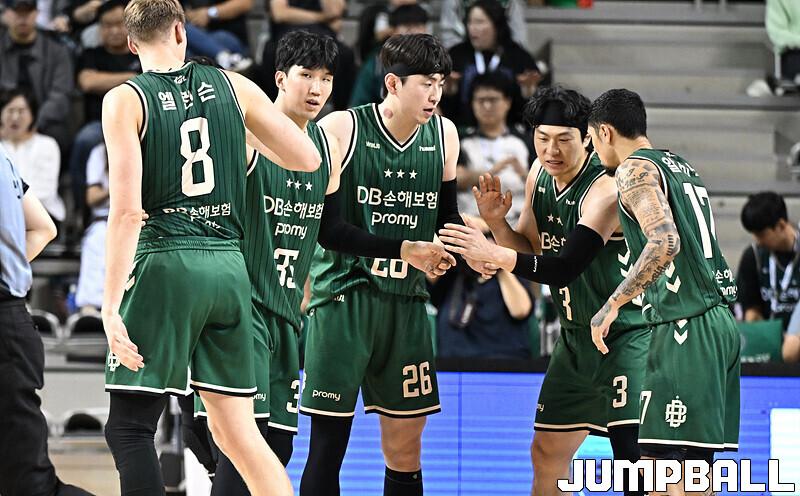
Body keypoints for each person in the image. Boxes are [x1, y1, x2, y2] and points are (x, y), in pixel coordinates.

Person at [190, 30, 455, 495]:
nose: (317, 88)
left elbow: (329, 230)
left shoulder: (321, 145)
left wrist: (473, 242)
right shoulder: (251, 134)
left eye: (327, 78)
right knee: (242, 448)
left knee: (276, 448)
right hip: (245, 308)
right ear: (280, 78)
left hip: (286, 314)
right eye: (307, 76)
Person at [100, 0, 321, 494]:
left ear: (131, 43)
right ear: (182, 32)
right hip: (229, 268)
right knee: (238, 435)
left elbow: (127, 213)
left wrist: (110, 306)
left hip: (166, 261)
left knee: (130, 427)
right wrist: (239, 135)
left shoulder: (124, 99)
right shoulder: (234, 86)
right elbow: (307, 158)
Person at [439, 85, 649, 496]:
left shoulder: (605, 189)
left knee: (632, 463)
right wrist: (498, 226)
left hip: (625, 336)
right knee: (547, 451)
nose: (552, 150)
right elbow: (532, 250)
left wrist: (494, 254)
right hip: (575, 339)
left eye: (564, 139)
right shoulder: (539, 173)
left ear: (587, 138)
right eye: (542, 138)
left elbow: (563, 269)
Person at [298, 33, 482, 496]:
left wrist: (476, 251)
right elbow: (328, 230)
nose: (435, 94)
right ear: (394, 84)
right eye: (426, 83)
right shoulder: (342, 128)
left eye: (441, 83)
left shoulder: (445, 134)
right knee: (327, 446)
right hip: (344, 298)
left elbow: (444, 218)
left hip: (407, 303)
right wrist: (405, 249)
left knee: (405, 449)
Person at [589, 89, 739, 494]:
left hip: (686, 326)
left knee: (667, 472)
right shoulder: (680, 165)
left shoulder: (633, 170)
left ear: (605, 132)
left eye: (592, 139)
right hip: (715, 321)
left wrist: (613, 303)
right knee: (683, 470)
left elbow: (665, 242)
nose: (595, 152)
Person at [0, 144, 93, 496]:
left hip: (6, 329)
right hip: (13, 322)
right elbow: (43, 228)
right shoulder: (5, 157)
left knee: (29, 486)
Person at [71, 0, 141, 215]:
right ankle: (81, 213)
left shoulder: (141, 54)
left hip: (139, 123)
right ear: (99, 28)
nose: (114, 31)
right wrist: (132, 78)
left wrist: (104, 80)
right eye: (107, 25)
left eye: (119, 24)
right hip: (99, 124)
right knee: (84, 140)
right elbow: (87, 82)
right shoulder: (91, 55)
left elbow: (95, 81)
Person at [443, 0, 540, 128]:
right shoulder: (456, 55)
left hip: (510, 132)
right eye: (470, 22)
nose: (472, 28)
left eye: (479, 22)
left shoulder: (518, 56)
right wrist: (449, 92)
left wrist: (527, 93)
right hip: (463, 131)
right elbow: (442, 110)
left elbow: (533, 115)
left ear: (496, 25)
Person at [456, 71, 529, 224]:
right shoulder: (461, 141)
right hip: (473, 220)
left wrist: (524, 174)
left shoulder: (525, 140)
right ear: (472, 103)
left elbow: (548, 181)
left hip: (518, 220)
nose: (487, 106)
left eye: (493, 100)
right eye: (481, 100)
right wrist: (490, 172)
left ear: (507, 102)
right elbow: (455, 178)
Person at [0, 0, 74, 148]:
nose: (22, 18)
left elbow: (60, 95)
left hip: (43, 120)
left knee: (59, 136)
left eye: (27, 13)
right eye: (17, 13)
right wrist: (6, 122)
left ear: (36, 14)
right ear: (6, 14)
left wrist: (31, 122)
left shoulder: (57, 50)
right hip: (3, 118)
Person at [0, 88, 65, 225]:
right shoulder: (2, 147)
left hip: (43, 214)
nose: (15, 117)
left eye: (21, 111)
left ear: (33, 115)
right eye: (10, 111)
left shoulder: (47, 145)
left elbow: (45, 192)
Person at [737, 191, 799, 329]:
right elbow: (751, 309)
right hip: (769, 338)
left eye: (761, 234)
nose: (757, 241)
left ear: (781, 225)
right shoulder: (753, 256)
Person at [349, 3, 429, 107]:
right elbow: (359, 103)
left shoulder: (433, 60)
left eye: (418, 26)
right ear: (393, 31)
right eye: (407, 26)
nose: (413, 32)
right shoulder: (376, 62)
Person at [74, 142, 109, 311]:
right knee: (96, 240)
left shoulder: (147, 147)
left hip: (139, 219)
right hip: (104, 218)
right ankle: (90, 311)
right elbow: (92, 197)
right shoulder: (100, 152)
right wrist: (120, 183)